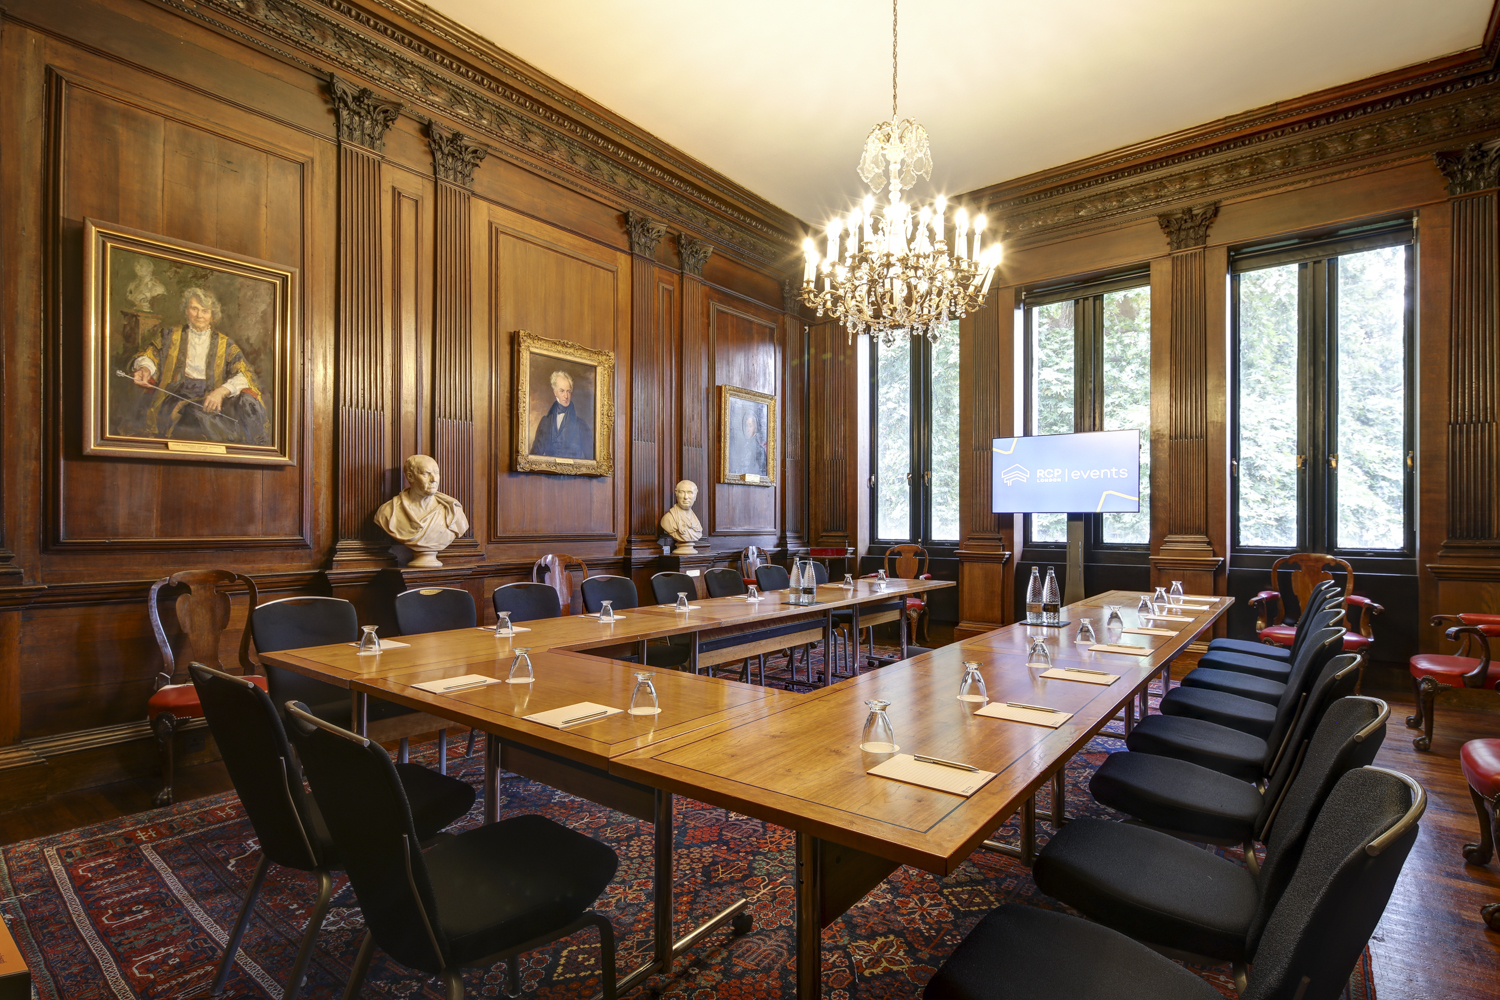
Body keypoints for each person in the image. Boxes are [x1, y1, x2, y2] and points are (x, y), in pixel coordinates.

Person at [129, 287, 268, 444]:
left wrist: (221, 391)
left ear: (212, 316)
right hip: (178, 393)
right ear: (186, 311)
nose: (199, 315)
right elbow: (151, 354)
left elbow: (244, 373)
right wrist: (145, 368)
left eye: (205, 311)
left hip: (213, 394)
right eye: (194, 309)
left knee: (246, 403)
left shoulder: (225, 344)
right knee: (194, 416)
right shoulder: (170, 335)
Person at [374, 455, 470, 567]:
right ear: (410, 477)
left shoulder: (453, 511)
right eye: (426, 474)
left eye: (436, 473)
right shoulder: (388, 512)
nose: (434, 479)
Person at [530, 370, 593, 460]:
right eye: (562, 391)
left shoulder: (581, 425)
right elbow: (534, 456)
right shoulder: (545, 422)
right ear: (555, 392)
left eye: (568, 391)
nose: (566, 396)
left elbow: (591, 460)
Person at [660, 480, 703, 554]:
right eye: (682, 492)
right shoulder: (668, 519)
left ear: (695, 496)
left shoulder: (696, 521)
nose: (686, 497)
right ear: (677, 494)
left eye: (690, 493)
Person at [731, 409, 768, 477]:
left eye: (750, 426)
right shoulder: (743, 447)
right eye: (746, 425)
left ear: (755, 428)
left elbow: (760, 472)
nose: (747, 429)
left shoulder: (759, 450)